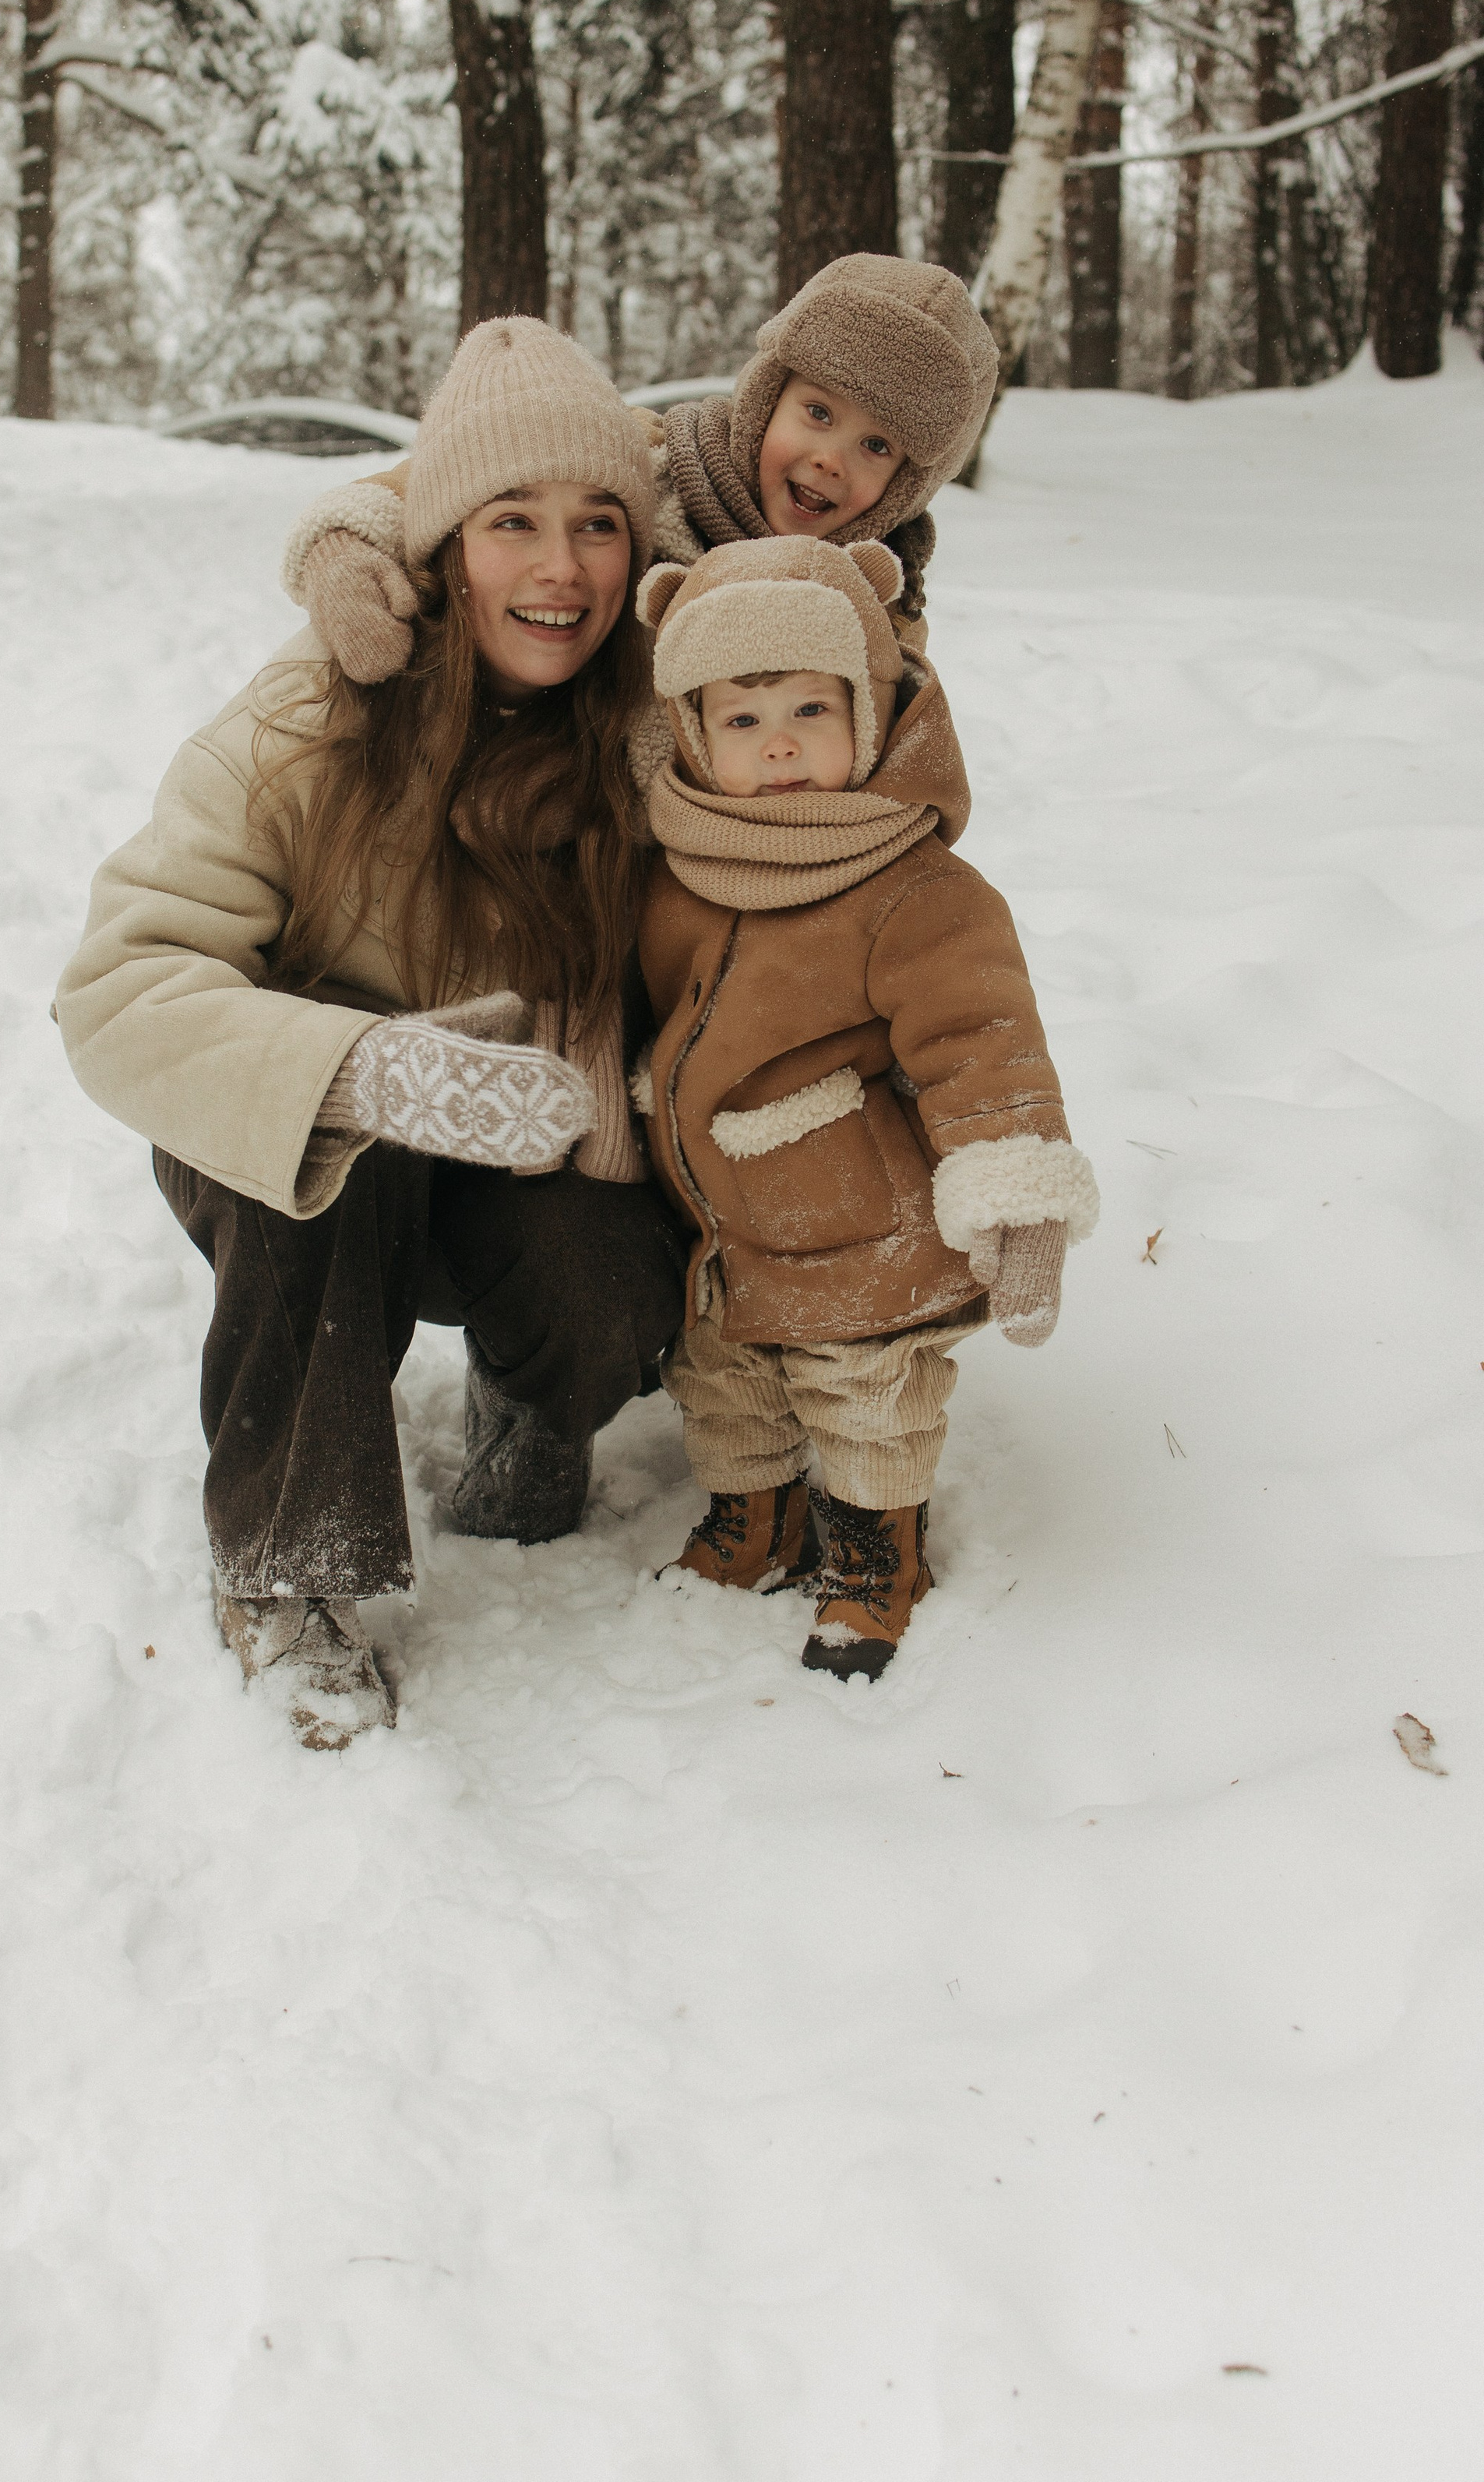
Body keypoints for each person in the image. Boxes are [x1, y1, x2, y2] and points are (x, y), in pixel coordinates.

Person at [55, 319, 688, 1751]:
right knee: (333, 1140)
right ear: (445, 544)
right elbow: (116, 986)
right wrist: (356, 1073)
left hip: (537, 1138)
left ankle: (536, 1403)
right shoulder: (306, 717)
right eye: (512, 521)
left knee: (607, 1280)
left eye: (598, 525)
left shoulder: (659, 727)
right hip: (314, 1147)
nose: (562, 568)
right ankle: (289, 1569)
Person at [630, 534, 1098, 1680]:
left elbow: (982, 1046)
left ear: (875, 715)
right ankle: (758, 1518)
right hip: (718, 1221)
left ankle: (875, 1550)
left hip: (865, 1225)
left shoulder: (915, 884)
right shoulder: (678, 861)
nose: (778, 742)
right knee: (722, 1377)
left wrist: (1019, 1203)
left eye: (809, 708)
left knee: (866, 1399)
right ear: (691, 731)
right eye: (741, 721)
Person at [279, 254, 1001, 678]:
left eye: (877, 447)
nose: (829, 459)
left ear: (909, 486)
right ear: (764, 397)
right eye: (817, 412)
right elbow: (449, 481)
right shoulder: (640, 459)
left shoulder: (879, 623)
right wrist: (346, 543)